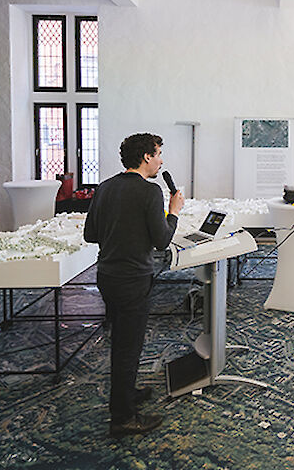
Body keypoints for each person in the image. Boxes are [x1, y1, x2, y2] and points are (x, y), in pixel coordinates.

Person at [84, 133, 184, 436]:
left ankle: (127, 394)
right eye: (159, 154)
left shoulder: (105, 188)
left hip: (107, 277)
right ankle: (123, 418)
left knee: (122, 342)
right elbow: (161, 240)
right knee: (128, 348)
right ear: (146, 158)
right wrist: (174, 211)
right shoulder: (150, 192)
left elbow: (90, 234)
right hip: (132, 280)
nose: (161, 160)